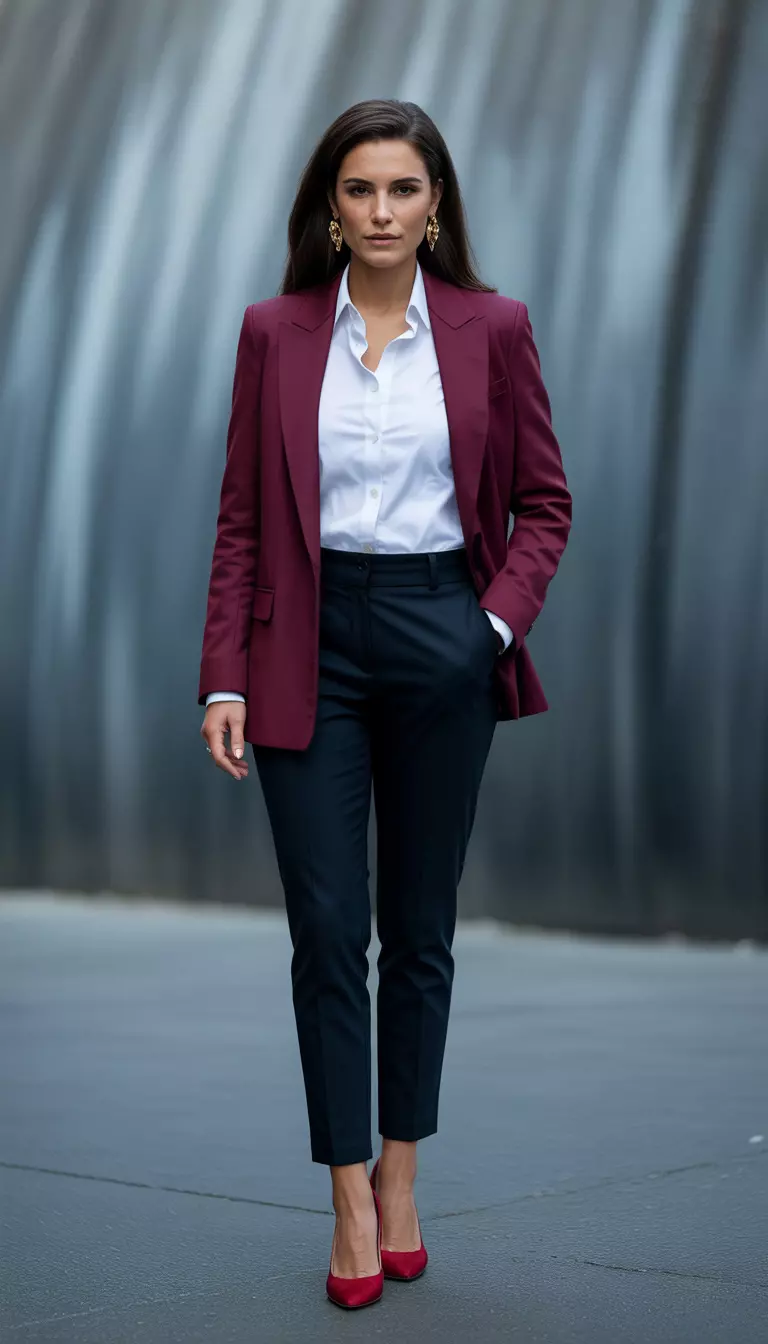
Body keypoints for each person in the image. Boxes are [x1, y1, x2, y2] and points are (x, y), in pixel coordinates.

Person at [198, 98, 572, 1310]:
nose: (380, 213)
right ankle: (349, 1196)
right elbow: (245, 518)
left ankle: (404, 1172)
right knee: (325, 934)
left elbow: (544, 506)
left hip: (441, 635)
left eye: (402, 190)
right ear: (329, 205)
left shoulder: (494, 328)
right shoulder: (273, 331)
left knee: (421, 930)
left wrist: (490, 631)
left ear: (436, 204)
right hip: (308, 641)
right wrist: (224, 673)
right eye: (359, 191)